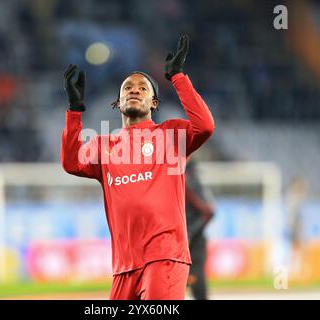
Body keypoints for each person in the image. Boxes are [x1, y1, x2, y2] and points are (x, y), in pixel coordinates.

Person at [61, 34, 215, 300]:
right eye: (127, 88)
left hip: (165, 256)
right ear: (118, 103)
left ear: (154, 103)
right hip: (124, 266)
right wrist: (75, 111)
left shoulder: (170, 136)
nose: (134, 90)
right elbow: (71, 162)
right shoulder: (103, 145)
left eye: (143, 88)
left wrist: (178, 77)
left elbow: (205, 126)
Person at [185, 156, 215, 300]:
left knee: (195, 280)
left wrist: (189, 231)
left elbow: (208, 211)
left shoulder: (189, 180)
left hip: (193, 241)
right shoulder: (187, 177)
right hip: (183, 239)